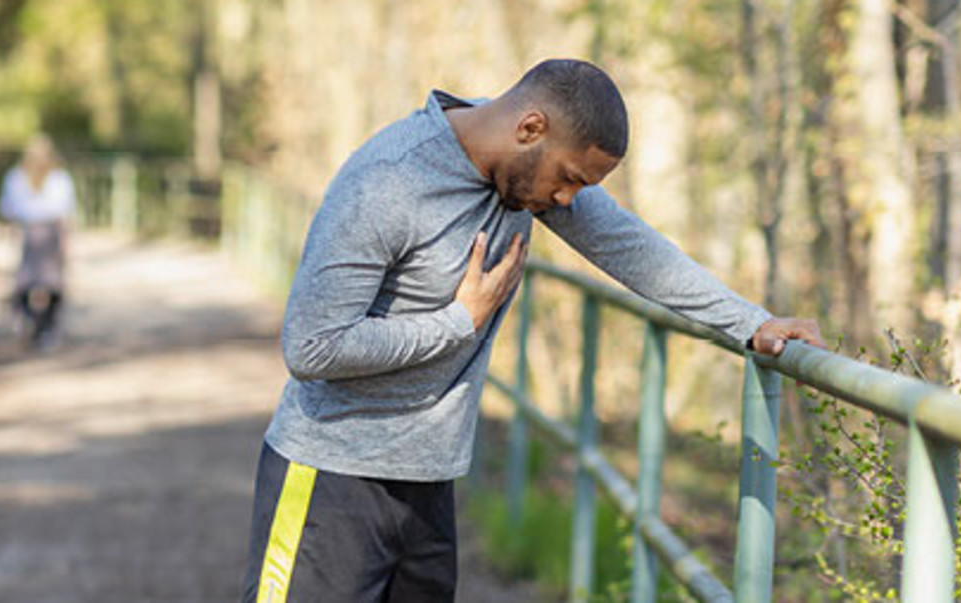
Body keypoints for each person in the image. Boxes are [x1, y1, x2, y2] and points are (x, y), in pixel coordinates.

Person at [240, 59, 825, 603]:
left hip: (428, 483)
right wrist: (456, 322)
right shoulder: (388, 182)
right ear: (531, 127)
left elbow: (631, 248)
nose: (566, 200)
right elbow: (312, 345)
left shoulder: (526, 177)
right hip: (329, 481)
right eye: (568, 179)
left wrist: (751, 323)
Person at [0, 135, 75, 350]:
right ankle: (47, 327)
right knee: (52, 280)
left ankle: (28, 320)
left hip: (29, 229)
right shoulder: (59, 178)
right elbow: (67, 210)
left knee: (27, 278)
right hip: (50, 230)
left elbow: (7, 208)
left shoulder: (15, 177)